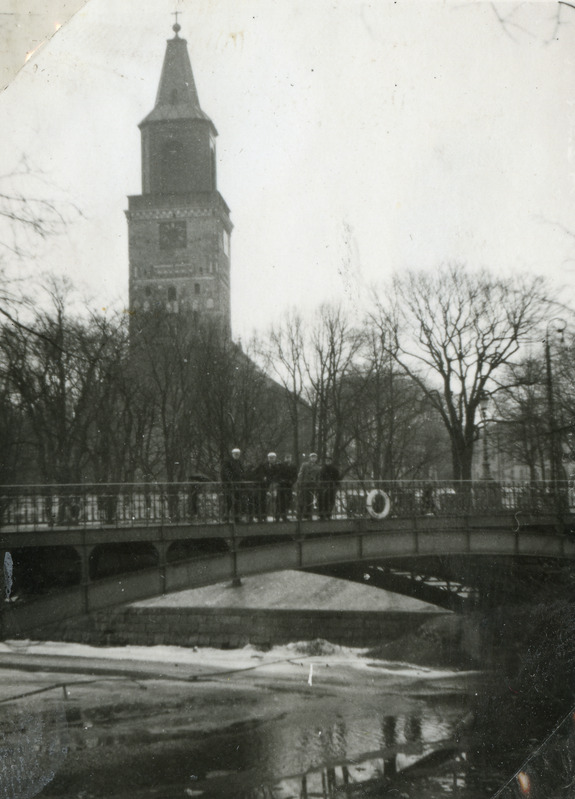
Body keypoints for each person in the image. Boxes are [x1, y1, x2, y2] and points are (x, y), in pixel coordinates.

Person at [253, 452, 280, 521]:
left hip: (273, 485)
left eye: (273, 458)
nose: (271, 459)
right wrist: (263, 477)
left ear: (275, 459)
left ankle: (273, 515)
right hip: (263, 486)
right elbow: (258, 473)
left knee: (274, 500)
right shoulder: (263, 465)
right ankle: (261, 516)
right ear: (268, 458)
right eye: (270, 458)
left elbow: (277, 475)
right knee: (262, 501)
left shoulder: (278, 466)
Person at [221, 448, 244, 523]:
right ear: (232, 454)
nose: (237, 455)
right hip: (229, 485)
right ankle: (225, 518)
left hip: (237, 484)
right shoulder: (228, 462)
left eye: (238, 454)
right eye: (235, 454)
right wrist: (230, 481)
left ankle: (237, 518)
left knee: (237, 501)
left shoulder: (239, 462)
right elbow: (226, 473)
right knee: (228, 501)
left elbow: (241, 472)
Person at [297, 452, 320, 520]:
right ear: (310, 458)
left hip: (312, 485)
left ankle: (308, 515)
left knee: (310, 500)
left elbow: (318, 477)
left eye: (315, 457)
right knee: (302, 500)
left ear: (316, 458)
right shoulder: (305, 465)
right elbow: (301, 474)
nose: (313, 458)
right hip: (304, 484)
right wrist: (300, 482)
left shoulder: (318, 467)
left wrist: (317, 484)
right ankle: (299, 515)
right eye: (312, 457)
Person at [276, 454, 298, 521]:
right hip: (281, 485)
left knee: (288, 501)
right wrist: (281, 480)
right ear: (284, 458)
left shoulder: (293, 466)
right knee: (279, 500)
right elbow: (278, 474)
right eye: (286, 458)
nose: (288, 459)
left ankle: (284, 515)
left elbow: (295, 476)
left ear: (291, 458)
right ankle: (277, 516)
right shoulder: (280, 465)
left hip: (289, 485)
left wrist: (292, 481)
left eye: (289, 458)